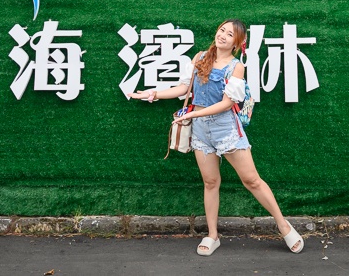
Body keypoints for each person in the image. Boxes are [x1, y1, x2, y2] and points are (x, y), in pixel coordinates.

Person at [129, 19, 304, 256]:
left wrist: (195, 113)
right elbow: (183, 89)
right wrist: (154, 93)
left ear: (237, 43)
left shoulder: (236, 67)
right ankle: (212, 235)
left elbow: (227, 104)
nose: (222, 35)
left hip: (225, 129)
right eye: (221, 30)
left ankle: (283, 226)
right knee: (210, 182)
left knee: (251, 180)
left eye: (229, 34)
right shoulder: (200, 57)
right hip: (201, 130)